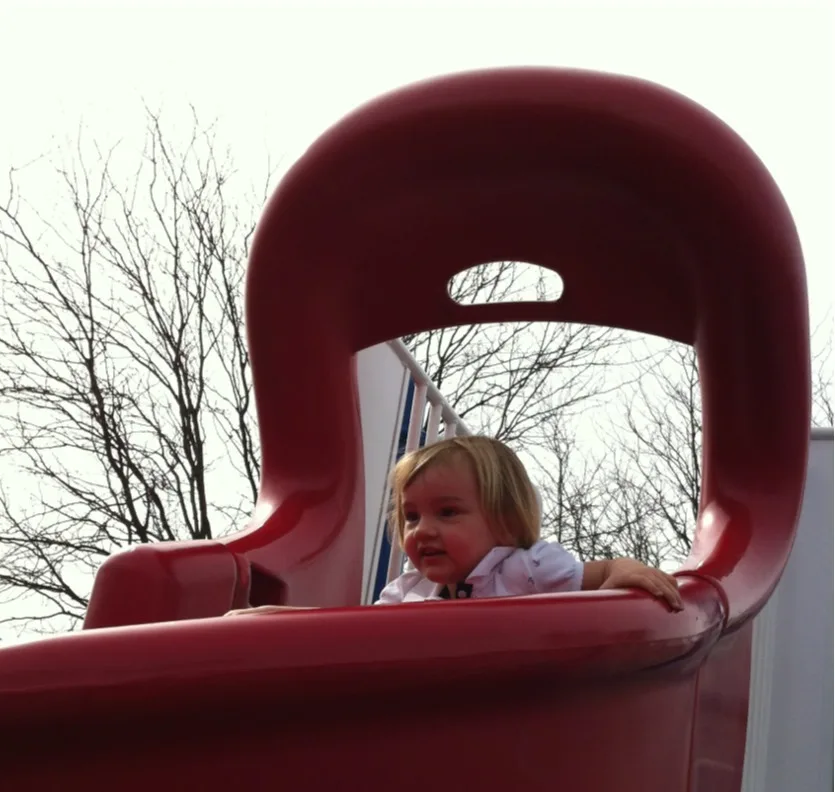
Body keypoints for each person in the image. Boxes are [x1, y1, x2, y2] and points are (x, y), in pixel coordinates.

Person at [227, 435, 682, 615]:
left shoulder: (525, 569)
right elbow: (349, 628)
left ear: (503, 520)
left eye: (447, 513)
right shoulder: (407, 593)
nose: (422, 529)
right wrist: (276, 617)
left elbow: (595, 575)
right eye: (410, 516)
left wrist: (622, 569)